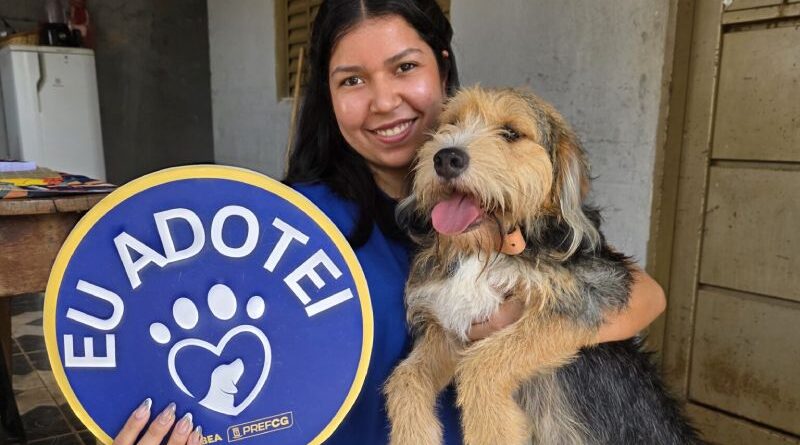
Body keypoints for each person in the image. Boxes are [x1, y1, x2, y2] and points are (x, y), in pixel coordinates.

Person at [113, 1, 666, 444]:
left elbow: (639, 296)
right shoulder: (289, 226)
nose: (383, 102)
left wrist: (512, 336)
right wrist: (184, 422)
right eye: (352, 80)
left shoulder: (515, 208)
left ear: (441, 66)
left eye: (405, 67)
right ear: (327, 97)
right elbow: (234, 370)